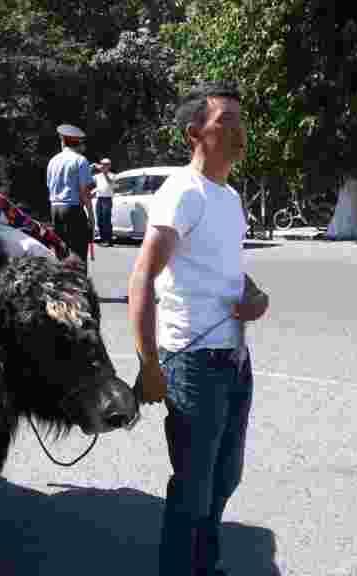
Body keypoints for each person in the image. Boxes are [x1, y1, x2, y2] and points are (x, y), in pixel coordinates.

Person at [127, 80, 270, 576]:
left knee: (225, 477)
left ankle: (204, 565)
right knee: (193, 487)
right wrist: (149, 365)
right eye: (224, 121)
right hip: (192, 362)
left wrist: (256, 296)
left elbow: (227, 272)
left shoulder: (228, 196)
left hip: (234, 357)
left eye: (240, 121)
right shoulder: (182, 193)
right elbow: (142, 278)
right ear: (195, 133)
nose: (238, 131)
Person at [46, 123, 95, 264]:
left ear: (63, 142)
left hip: (55, 209)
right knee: (78, 254)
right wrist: (91, 216)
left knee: (61, 253)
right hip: (72, 209)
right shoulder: (80, 160)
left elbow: (50, 187)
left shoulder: (53, 160)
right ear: (79, 143)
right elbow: (84, 191)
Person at [91, 158, 116, 246]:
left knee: (106, 220)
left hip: (107, 199)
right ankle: (103, 239)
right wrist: (91, 168)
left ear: (109, 165)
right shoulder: (97, 176)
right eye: (102, 164)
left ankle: (108, 240)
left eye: (106, 164)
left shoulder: (112, 175)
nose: (104, 166)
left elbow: (110, 183)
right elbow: (88, 180)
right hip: (99, 199)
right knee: (99, 220)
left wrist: (105, 173)